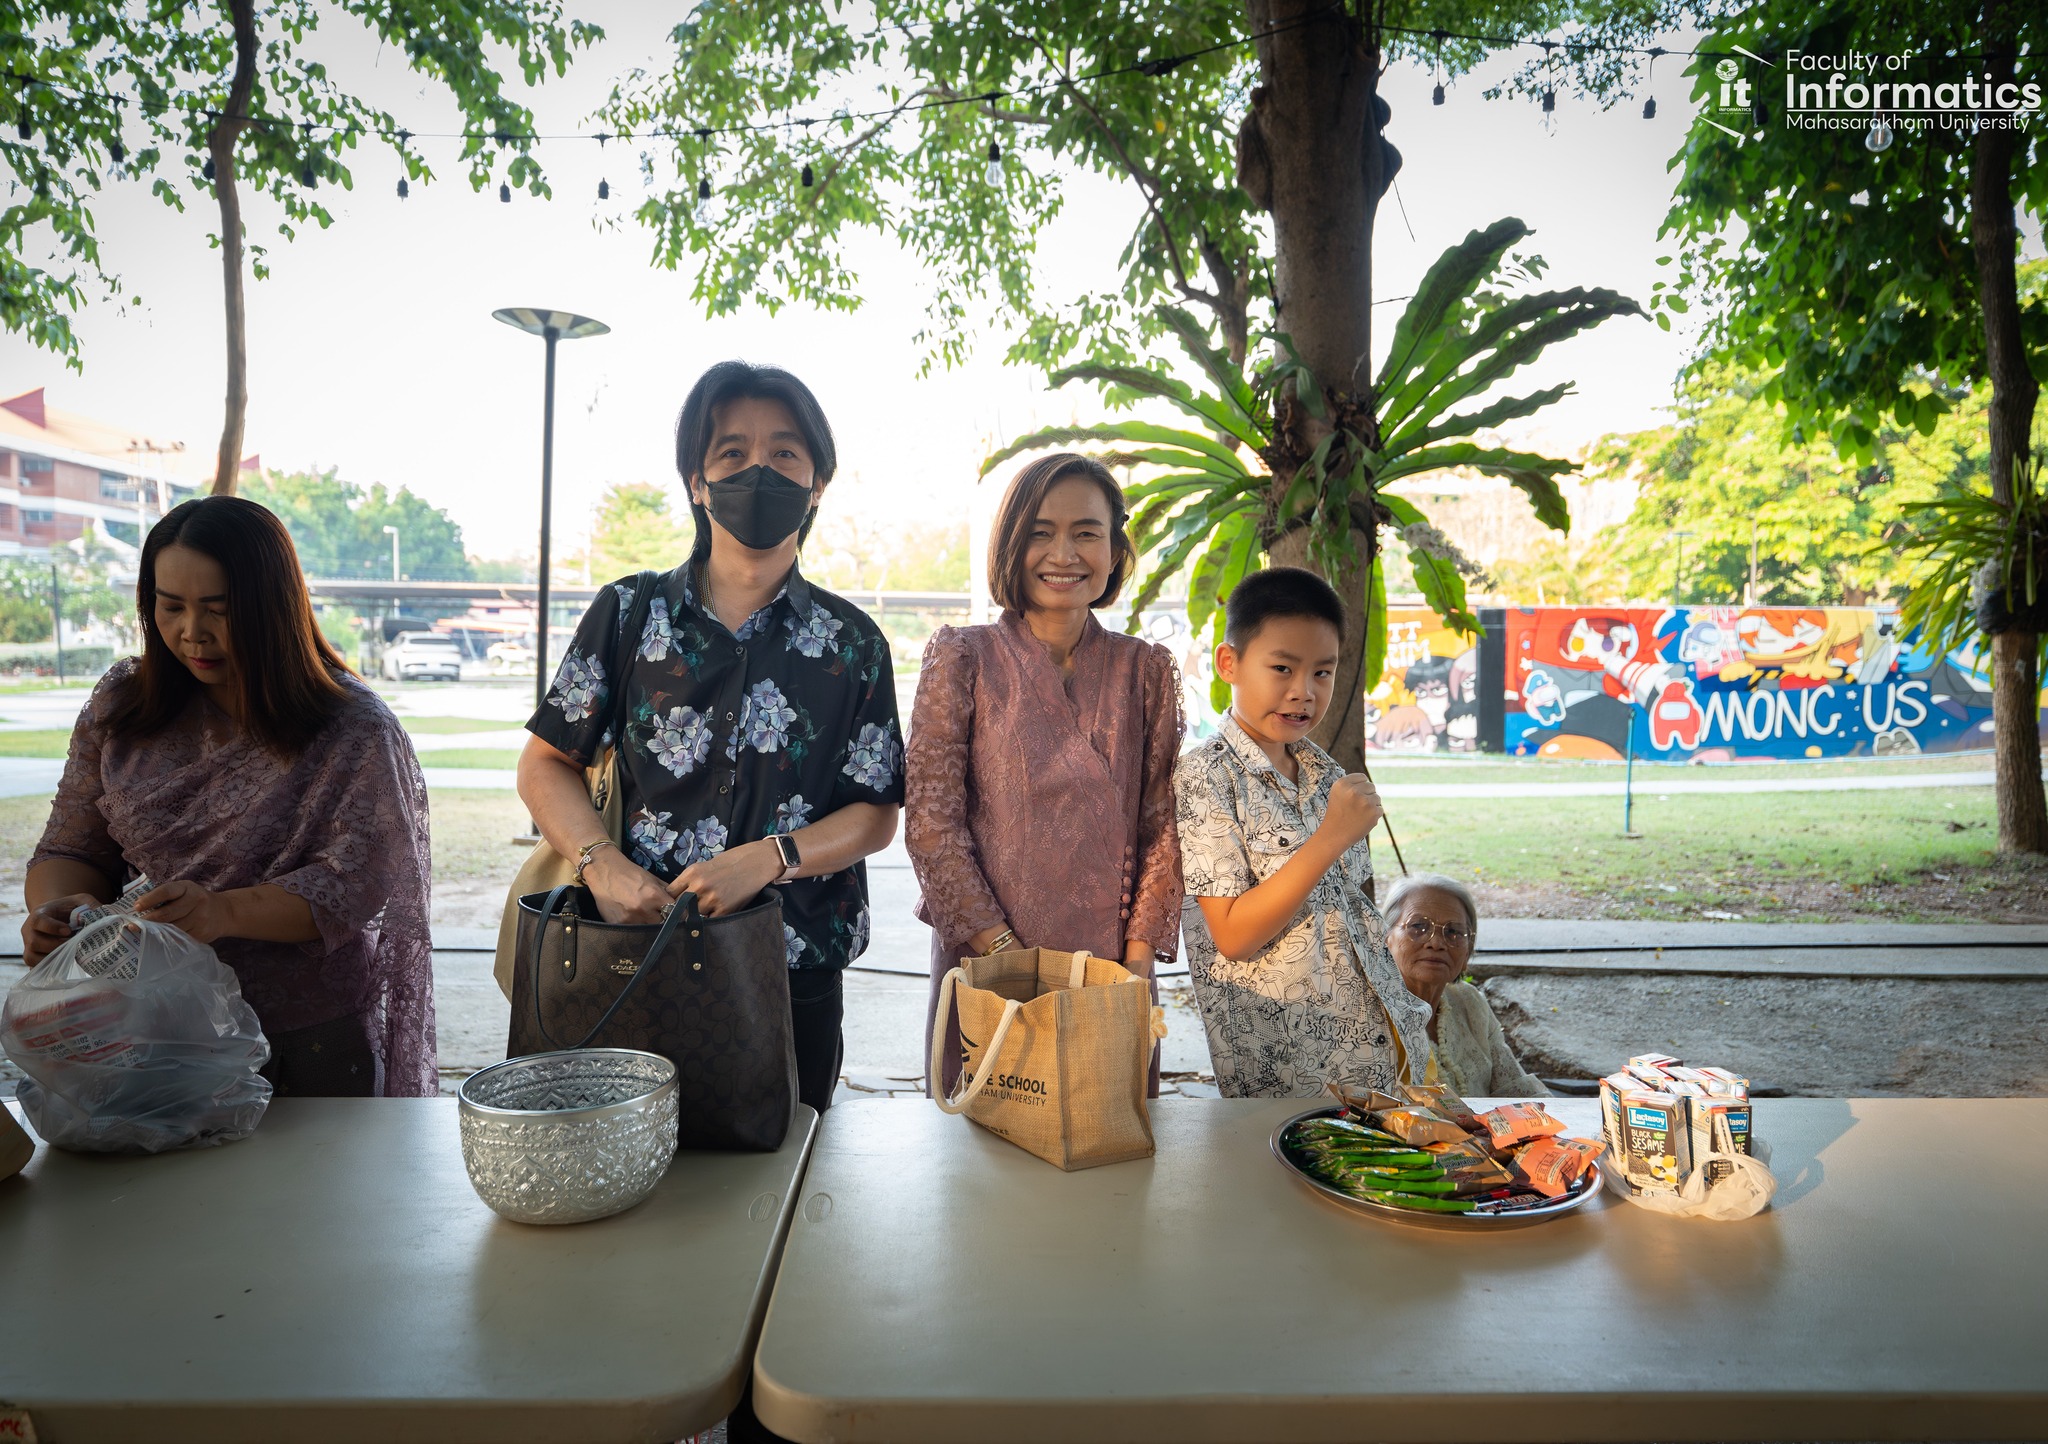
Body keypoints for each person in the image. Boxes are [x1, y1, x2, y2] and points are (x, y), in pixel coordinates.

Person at [518, 361, 902, 1120]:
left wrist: (772, 858)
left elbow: (875, 814)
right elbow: (544, 765)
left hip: (792, 970)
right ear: (697, 479)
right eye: (732, 453)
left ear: (819, 481)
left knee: (780, 1187)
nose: (759, 469)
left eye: (785, 452)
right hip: (629, 954)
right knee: (620, 1176)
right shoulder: (628, 614)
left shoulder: (853, 644)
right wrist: (602, 866)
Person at [23, 496, 436, 1097]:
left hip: (304, 1036)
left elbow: (358, 883)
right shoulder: (122, 707)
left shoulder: (351, 727)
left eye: (220, 609)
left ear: (274, 608)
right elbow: (71, 844)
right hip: (146, 1021)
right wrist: (59, 915)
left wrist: (222, 913)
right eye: (171, 607)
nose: (192, 632)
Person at [906, 452, 1182, 1098]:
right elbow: (930, 824)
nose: (1064, 552)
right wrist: (1008, 959)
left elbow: (1163, 829)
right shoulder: (963, 658)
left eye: (1087, 532)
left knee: (1106, 1157)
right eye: (1040, 531)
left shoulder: (1146, 672)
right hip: (986, 968)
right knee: (986, 1171)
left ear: (1115, 550)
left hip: (1108, 978)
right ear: (1011, 543)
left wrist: (1137, 965)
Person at [1175, 566, 1430, 1098]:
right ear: (1230, 664)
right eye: (1282, 668)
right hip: (1290, 1079)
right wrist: (1330, 837)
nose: (1303, 692)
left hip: (1378, 1058)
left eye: (1322, 673)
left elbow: (1352, 919)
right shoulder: (1205, 776)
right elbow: (1234, 936)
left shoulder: (1327, 776)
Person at [1383, 872, 1549, 1097]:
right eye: (1418, 926)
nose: (1436, 942)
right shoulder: (1368, 1017)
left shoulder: (1468, 1004)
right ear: (1385, 938)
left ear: (1468, 951)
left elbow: (1516, 1089)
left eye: (1453, 932)